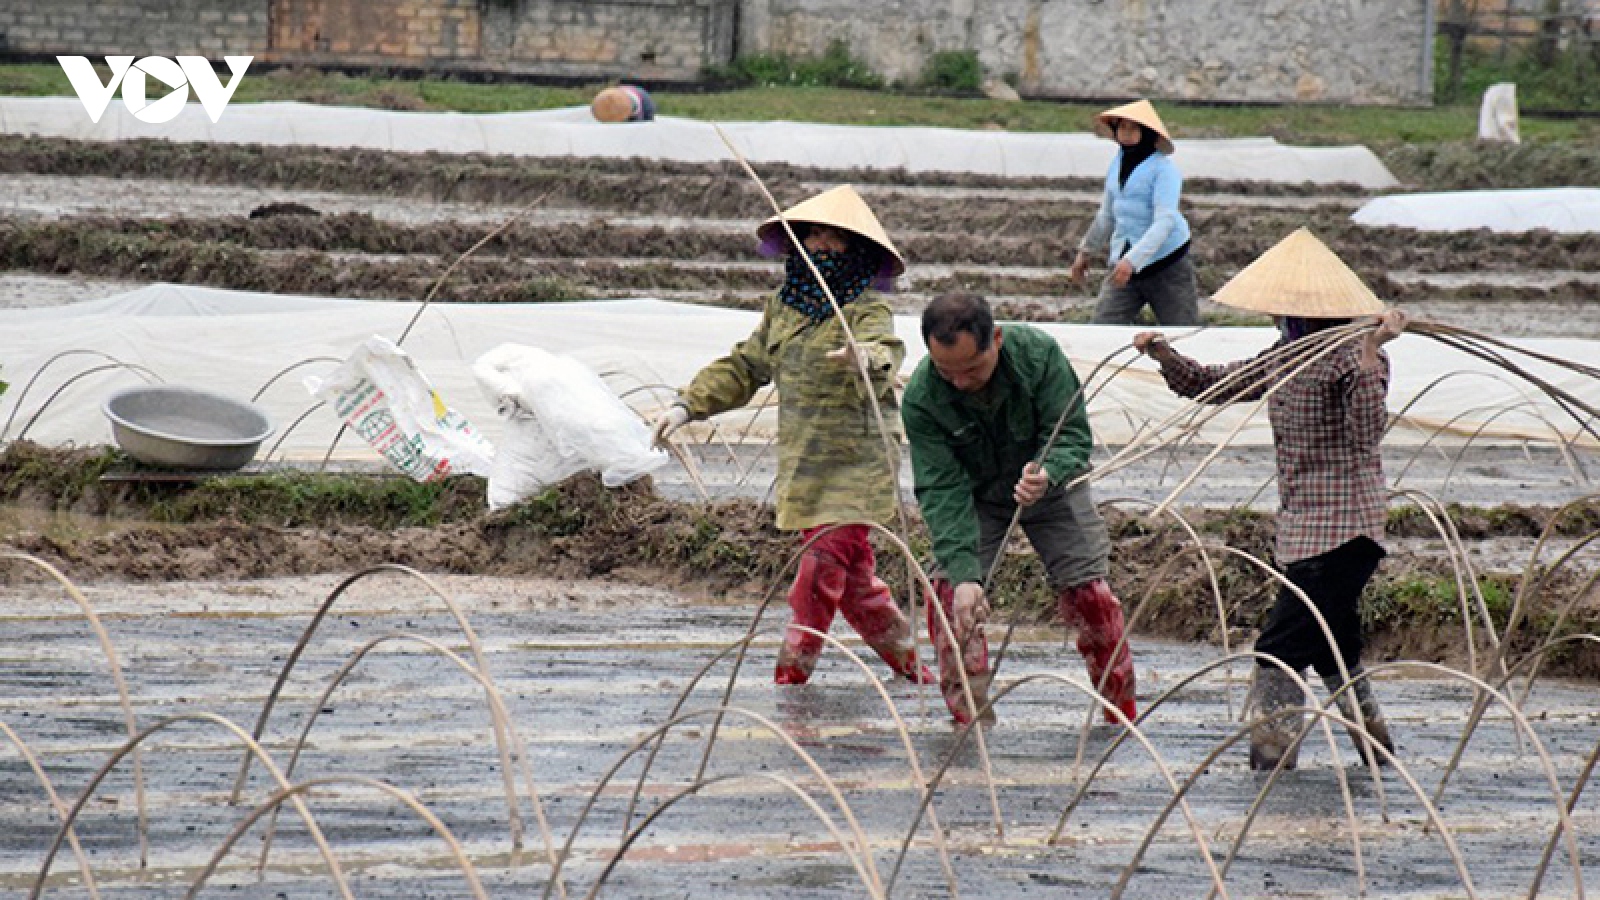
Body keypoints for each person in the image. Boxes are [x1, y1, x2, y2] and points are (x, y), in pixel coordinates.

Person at [1131, 227, 1408, 770]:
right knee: (1333, 644)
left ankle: (1270, 753)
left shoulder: (1353, 356)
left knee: (1278, 645)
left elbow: (1365, 432)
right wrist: (1162, 353)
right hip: (1303, 529)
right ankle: (1373, 745)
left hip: (1347, 530)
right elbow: (1211, 384)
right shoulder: (1288, 352)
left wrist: (1374, 350)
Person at [651, 185, 934, 687]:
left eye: (834, 239)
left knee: (820, 569)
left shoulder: (866, 310)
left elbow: (884, 350)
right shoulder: (783, 307)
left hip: (857, 462)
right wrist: (686, 405)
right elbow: (745, 366)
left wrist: (860, 358)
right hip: (806, 461)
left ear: (857, 250)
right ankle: (915, 672)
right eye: (812, 236)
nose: (821, 247)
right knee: (855, 585)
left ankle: (792, 675)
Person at [901, 292, 1137, 726]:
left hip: (1051, 488)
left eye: (971, 370)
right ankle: (969, 720)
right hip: (977, 496)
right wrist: (966, 574)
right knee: (953, 598)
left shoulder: (1039, 357)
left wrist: (1048, 471)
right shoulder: (922, 397)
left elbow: (1071, 435)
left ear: (997, 339)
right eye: (946, 371)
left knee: (1091, 596)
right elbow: (941, 488)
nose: (959, 383)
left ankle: (1120, 714)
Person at [1069, 99, 1200, 326]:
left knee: (1182, 331)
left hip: (1166, 263)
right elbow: (1107, 214)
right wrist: (1086, 252)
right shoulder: (1117, 164)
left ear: (1147, 133)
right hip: (1123, 260)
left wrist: (1132, 261)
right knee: (1103, 326)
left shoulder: (1164, 170)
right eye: (1122, 127)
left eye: (1133, 128)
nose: (1127, 134)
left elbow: (1165, 221)